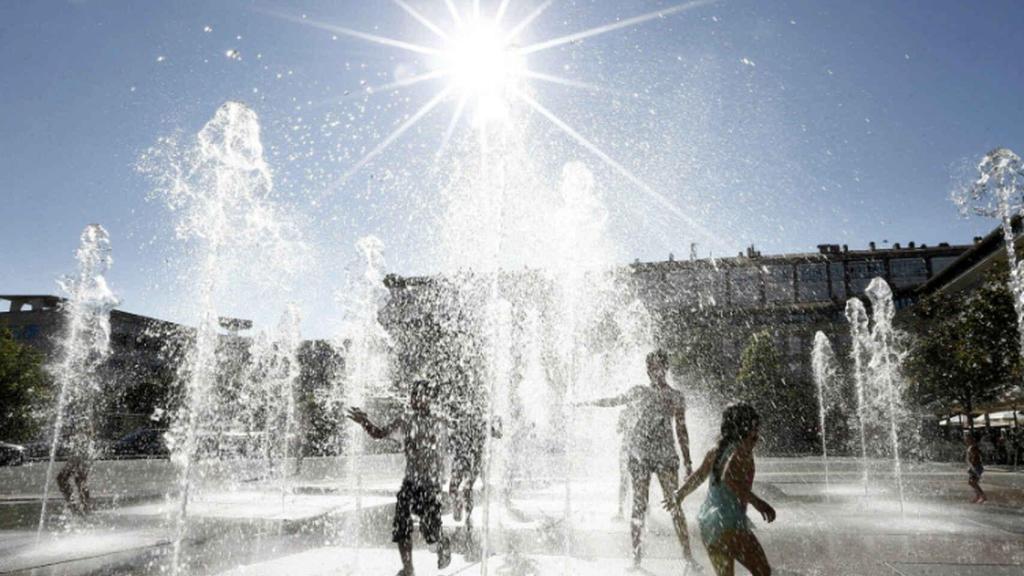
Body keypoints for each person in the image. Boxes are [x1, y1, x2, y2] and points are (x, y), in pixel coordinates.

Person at [577, 349, 695, 568]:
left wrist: (688, 461)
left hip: (666, 455)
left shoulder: (676, 396)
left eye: (659, 367)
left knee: (675, 505)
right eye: (651, 367)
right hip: (640, 456)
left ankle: (688, 557)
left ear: (666, 368)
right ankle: (636, 557)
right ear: (647, 370)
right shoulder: (639, 391)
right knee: (639, 505)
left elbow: (681, 430)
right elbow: (613, 401)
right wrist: (586, 403)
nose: (655, 372)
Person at [347, 380, 452, 576]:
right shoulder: (404, 421)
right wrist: (364, 422)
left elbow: (455, 440)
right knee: (401, 523)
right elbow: (379, 434)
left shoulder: (439, 422)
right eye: (414, 395)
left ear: (429, 399)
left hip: (430, 486)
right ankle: (408, 568)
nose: (416, 399)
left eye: (422, 395)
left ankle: (440, 543)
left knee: (429, 536)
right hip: (410, 483)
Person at [666, 403, 775, 576]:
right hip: (730, 523)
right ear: (746, 427)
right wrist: (758, 503)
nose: (757, 435)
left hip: (711, 524)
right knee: (763, 572)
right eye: (755, 429)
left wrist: (680, 494)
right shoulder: (740, 450)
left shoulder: (717, 450)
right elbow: (728, 477)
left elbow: (699, 476)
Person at [448, 409, 502, 528]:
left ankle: (466, 513)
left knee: (461, 488)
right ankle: (464, 511)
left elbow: (498, 434)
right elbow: (498, 434)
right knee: (462, 489)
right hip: (468, 461)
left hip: (467, 461)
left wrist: (498, 422)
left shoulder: (476, 423)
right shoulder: (476, 423)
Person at [965, 432, 986, 504]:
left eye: (968, 438)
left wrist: (972, 467)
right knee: (972, 482)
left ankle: (983, 496)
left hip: (976, 467)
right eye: (966, 438)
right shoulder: (971, 446)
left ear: (972, 439)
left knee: (972, 482)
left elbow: (975, 457)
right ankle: (978, 496)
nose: (966, 440)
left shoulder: (973, 447)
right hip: (974, 467)